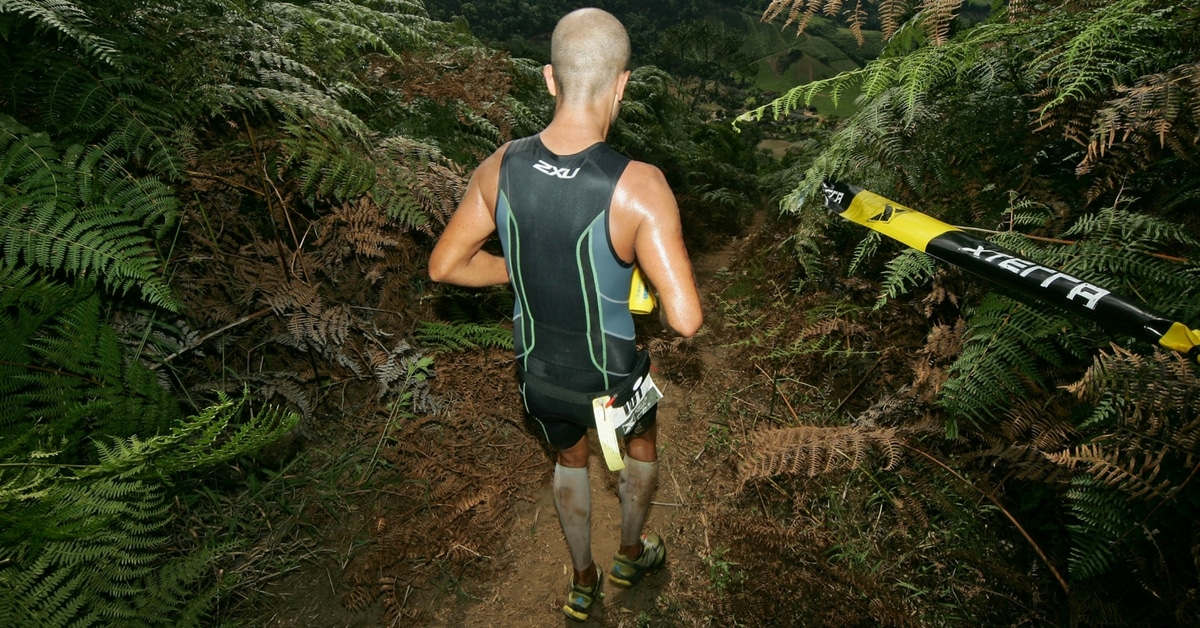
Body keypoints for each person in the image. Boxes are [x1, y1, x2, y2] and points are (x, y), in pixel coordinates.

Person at [428, 7, 702, 622]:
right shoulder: (640, 186)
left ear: (549, 78)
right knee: (641, 445)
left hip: (538, 375)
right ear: (622, 84)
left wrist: (516, 268)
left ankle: (583, 580)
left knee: (569, 459)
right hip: (612, 381)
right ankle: (631, 552)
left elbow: (444, 267)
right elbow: (685, 318)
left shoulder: (500, 166)